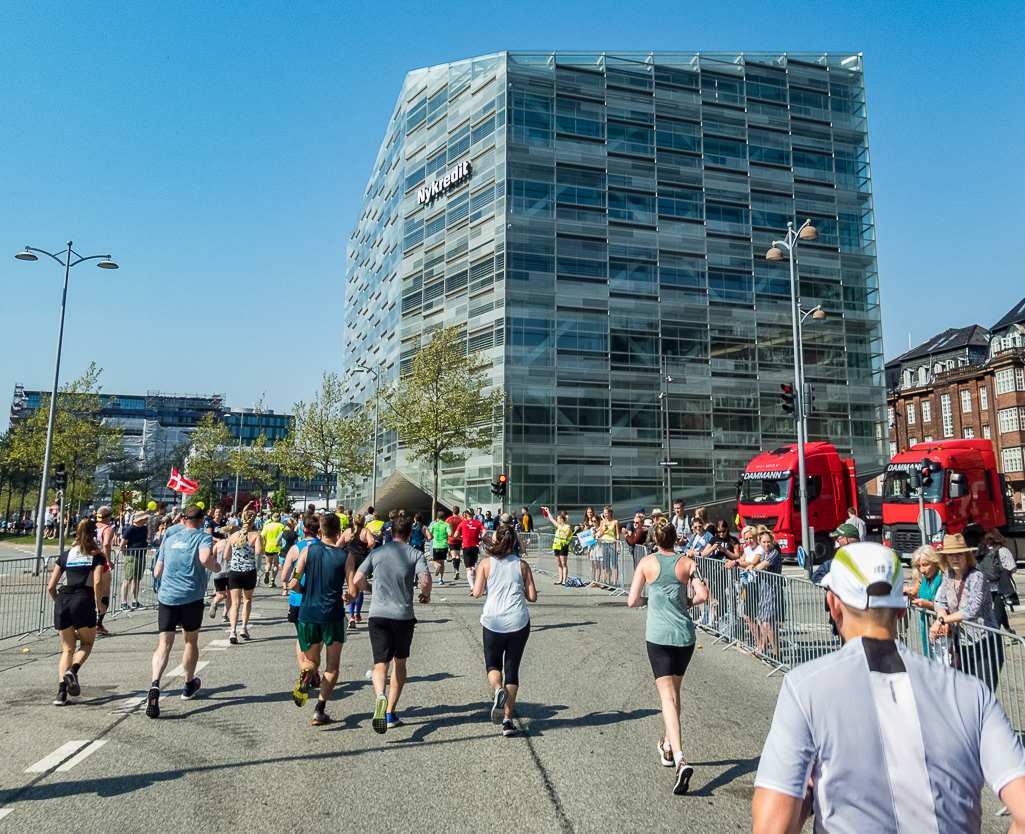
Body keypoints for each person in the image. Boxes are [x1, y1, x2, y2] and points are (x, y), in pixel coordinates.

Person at [752, 540, 1025, 834]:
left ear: (833, 605)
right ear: (901, 610)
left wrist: (805, 802)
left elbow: (773, 827)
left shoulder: (804, 687)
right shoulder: (972, 693)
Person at [627, 518, 708, 795]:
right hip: (684, 638)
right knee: (675, 694)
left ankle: (680, 759)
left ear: (654, 539)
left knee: (666, 698)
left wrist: (650, 601)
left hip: (659, 637)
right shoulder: (687, 563)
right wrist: (686, 601)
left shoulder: (647, 563)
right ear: (676, 539)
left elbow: (632, 600)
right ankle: (669, 746)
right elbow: (703, 594)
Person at [351, 515, 432, 733]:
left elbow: (357, 580)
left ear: (390, 532)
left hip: (377, 614)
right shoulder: (415, 554)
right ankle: (390, 712)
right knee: (400, 662)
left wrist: (371, 589)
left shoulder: (376, 553)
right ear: (409, 533)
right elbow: (425, 581)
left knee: (380, 664)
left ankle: (380, 697)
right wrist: (425, 596)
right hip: (402, 616)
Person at [147, 505, 221, 718]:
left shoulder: (168, 540)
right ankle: (188, 685)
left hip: (168, 597)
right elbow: (206, 559)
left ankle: (155, 684)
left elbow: (158, 571)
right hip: (190, 597)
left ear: (182, 519)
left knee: (164, 645)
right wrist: (216, 568)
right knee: (190, 641)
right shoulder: (203, 537)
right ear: (200, 520)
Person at [288, 513, 356, 727]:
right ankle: (319, 710)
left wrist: (302, 590)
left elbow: (294, 581)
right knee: (332, 664)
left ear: (319, 531)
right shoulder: (346, 556)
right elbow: (352, 591)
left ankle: (307, 671)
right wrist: (348, 597)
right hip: (332, 615)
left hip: (308, 613)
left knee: (311, 660)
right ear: (339, 533)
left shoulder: (307, 550)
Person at [471, 524, 537, 737]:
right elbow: (533, 597)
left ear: (496, 539)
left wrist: (475, 587)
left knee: (492, 664)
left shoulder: (486, 564)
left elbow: (478, 593)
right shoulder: (522, 565)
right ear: (515, 542)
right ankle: (508, 720)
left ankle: (497, 688)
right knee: (512, 669)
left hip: (493, 621)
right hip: (518, 621)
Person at [930, 533, 1005, 691]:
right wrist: (942, 615)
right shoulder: (949, 575)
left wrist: (942, 621)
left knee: (983, 692)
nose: (955, 558)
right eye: (951, 555)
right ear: (945, 558)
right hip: (962, 644)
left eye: (959, 554)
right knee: (966, 693)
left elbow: (972, 609)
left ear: (967, 555)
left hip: (984, 643)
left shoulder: (976, 577)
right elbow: (939, 601)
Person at [48, 519, 106, 706]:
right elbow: (97, 582)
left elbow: (50, 586)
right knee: (87, 643)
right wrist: (100, 605)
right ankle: (73, 671)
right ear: (93, 533)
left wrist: (57, 601)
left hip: (63, 599)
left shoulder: (66, 555)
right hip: (83, 600)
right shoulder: (96, 555)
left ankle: (61, 694)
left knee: (67, 649)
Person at [282, 513, 321, 691]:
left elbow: (284, 576)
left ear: (303, 529)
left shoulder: (296, 548)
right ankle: (313, 669)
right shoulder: (325, 547)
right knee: (318, 638)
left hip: (298, 599)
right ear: (319, 530)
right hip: (319, 598)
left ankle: (304, 670)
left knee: (301, 638)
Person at [226, 507, 265, 643]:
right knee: (247, 600)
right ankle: (244, 627)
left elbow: (226, 555)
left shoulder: (233, 536)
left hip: (235, 571)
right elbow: (259, 552)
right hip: (249, 571)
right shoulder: (255, 535)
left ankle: (232, 631)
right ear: (254, 520)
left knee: (235, 603)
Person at [904, 544, 944, 656]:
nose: (922, 570)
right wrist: (907, 593)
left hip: (943, 630)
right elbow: (914, 595)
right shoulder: (922, 579)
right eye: (919, 566)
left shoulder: (944, 578)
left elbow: (949, 607)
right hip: (927, 629)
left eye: (925, 565)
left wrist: (929, 605)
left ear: (935, 562)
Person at [340, 513, 376, 628]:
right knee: (359, 589)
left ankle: (351, 615)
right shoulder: (365, 532)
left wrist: (343, 550)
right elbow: (372, 542)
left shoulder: (347, 532)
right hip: (362, 563)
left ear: (354, 522)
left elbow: (338, 544)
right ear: (364, 521)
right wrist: (369, 550)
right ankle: (357, 614)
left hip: (349, 562)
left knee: (351, 589)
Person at [753, 529, 784, 657]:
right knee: (762, 621)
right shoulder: (763, 554)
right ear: (760, 543)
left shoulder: (774, 553)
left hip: (773, 590)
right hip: (764, 590)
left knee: (769, 623)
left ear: (773, 542)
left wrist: (753, 566)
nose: (766, 544)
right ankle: (763, 649)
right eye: (764, 542)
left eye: (769, 542)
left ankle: (776, 654)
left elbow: (760, 567)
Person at [980, 528, 1018, 632]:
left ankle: (1009, 630)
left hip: (985, 585)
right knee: (998, 608)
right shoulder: (1003, 551)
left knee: (1000, 609)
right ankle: (995, 632)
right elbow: (1013, 569)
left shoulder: (983, 551)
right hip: (999, 585)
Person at [119, 511, 149, 610]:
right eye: (145, 518)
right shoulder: (130, 528)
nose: (146, 520)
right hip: (132, 555)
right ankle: (123, 602)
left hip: (141, 555)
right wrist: (125, 553)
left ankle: (134, 601)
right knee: (128, 578)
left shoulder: (144, 528)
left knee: (137, 579)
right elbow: (122, 544)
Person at [209, 524, 237, 622]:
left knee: (220, 594)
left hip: (219, 571)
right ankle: (224, 615)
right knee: (229, 595)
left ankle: (215, 602)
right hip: (231, 571)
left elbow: (211, 556)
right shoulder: (236, 543)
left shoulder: (219, 543)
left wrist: (214, 565)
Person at [94, 506, 115, 635]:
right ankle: (99, 623)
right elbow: (106, 543)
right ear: (108, 516)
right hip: (101, 561)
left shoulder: (92, 527)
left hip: (89, 560)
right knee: (105, 593)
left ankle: (89, 622)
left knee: (92, 591)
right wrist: (108, 560)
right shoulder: (108, 529)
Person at [454, 509, 486, 587]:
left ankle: (472, 587)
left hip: (466, 546)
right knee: (472, 565)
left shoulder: (462, 523)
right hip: (475, 546)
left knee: (468, 567)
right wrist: (481, 538)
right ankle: (474, 577)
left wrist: (460, 538)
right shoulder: (478, 523)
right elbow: (485, 531)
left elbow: (455, 535)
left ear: (466, 514)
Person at [542, 508, 573, 586]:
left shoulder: (567, 527)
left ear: (562, 519)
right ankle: (560, 579)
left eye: (558, 519)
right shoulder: (558, 526)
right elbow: (551, 519)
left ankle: (564, 580)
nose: (557, 520)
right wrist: (548, 511)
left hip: (563, 546)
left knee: (563, 563)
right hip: (556, 546)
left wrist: (561, 529)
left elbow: (566, 536)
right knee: (559, 564)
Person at [597, 506, 620, 587]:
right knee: (606, 563)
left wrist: (617, 545)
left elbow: (617, 534)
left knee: (614, 563)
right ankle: (608, 582)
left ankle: (615, 583)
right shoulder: (602, 522)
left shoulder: (615, 522)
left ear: (610, 513)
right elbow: (600, 534)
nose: (605, 515)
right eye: (604, 513)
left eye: (606, 513)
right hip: (604, 543)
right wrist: (604, 530)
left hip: (612, 543)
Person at [261, 512, 285, 586]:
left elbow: (262, 535)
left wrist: (263, 544)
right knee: (276, 565)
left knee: (268, 563)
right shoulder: (281, 526)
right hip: (277, 547)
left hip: (268, 547)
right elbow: (283, 537)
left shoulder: (267, 526)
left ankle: (267, 571)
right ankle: (272, 580)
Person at [428, 510, 451, 586]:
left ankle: (436, 566)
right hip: (444, 546)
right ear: (444, 517)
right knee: (442, 562)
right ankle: (440, 579)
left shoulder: (434, 525)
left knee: (436, 562)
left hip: (436, 545)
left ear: (437, 517)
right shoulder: (446, 525)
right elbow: (450, 533)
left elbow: (430, 533)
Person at [445, 506, 463, 581]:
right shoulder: (461, 519)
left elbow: (446, 530)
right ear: (458, 512)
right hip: (459, 539)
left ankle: (455, 569)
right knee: (458, 555)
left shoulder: (448, 519)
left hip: (451, 539)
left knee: (453, 555)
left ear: (452, 511)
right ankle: (457, 569)